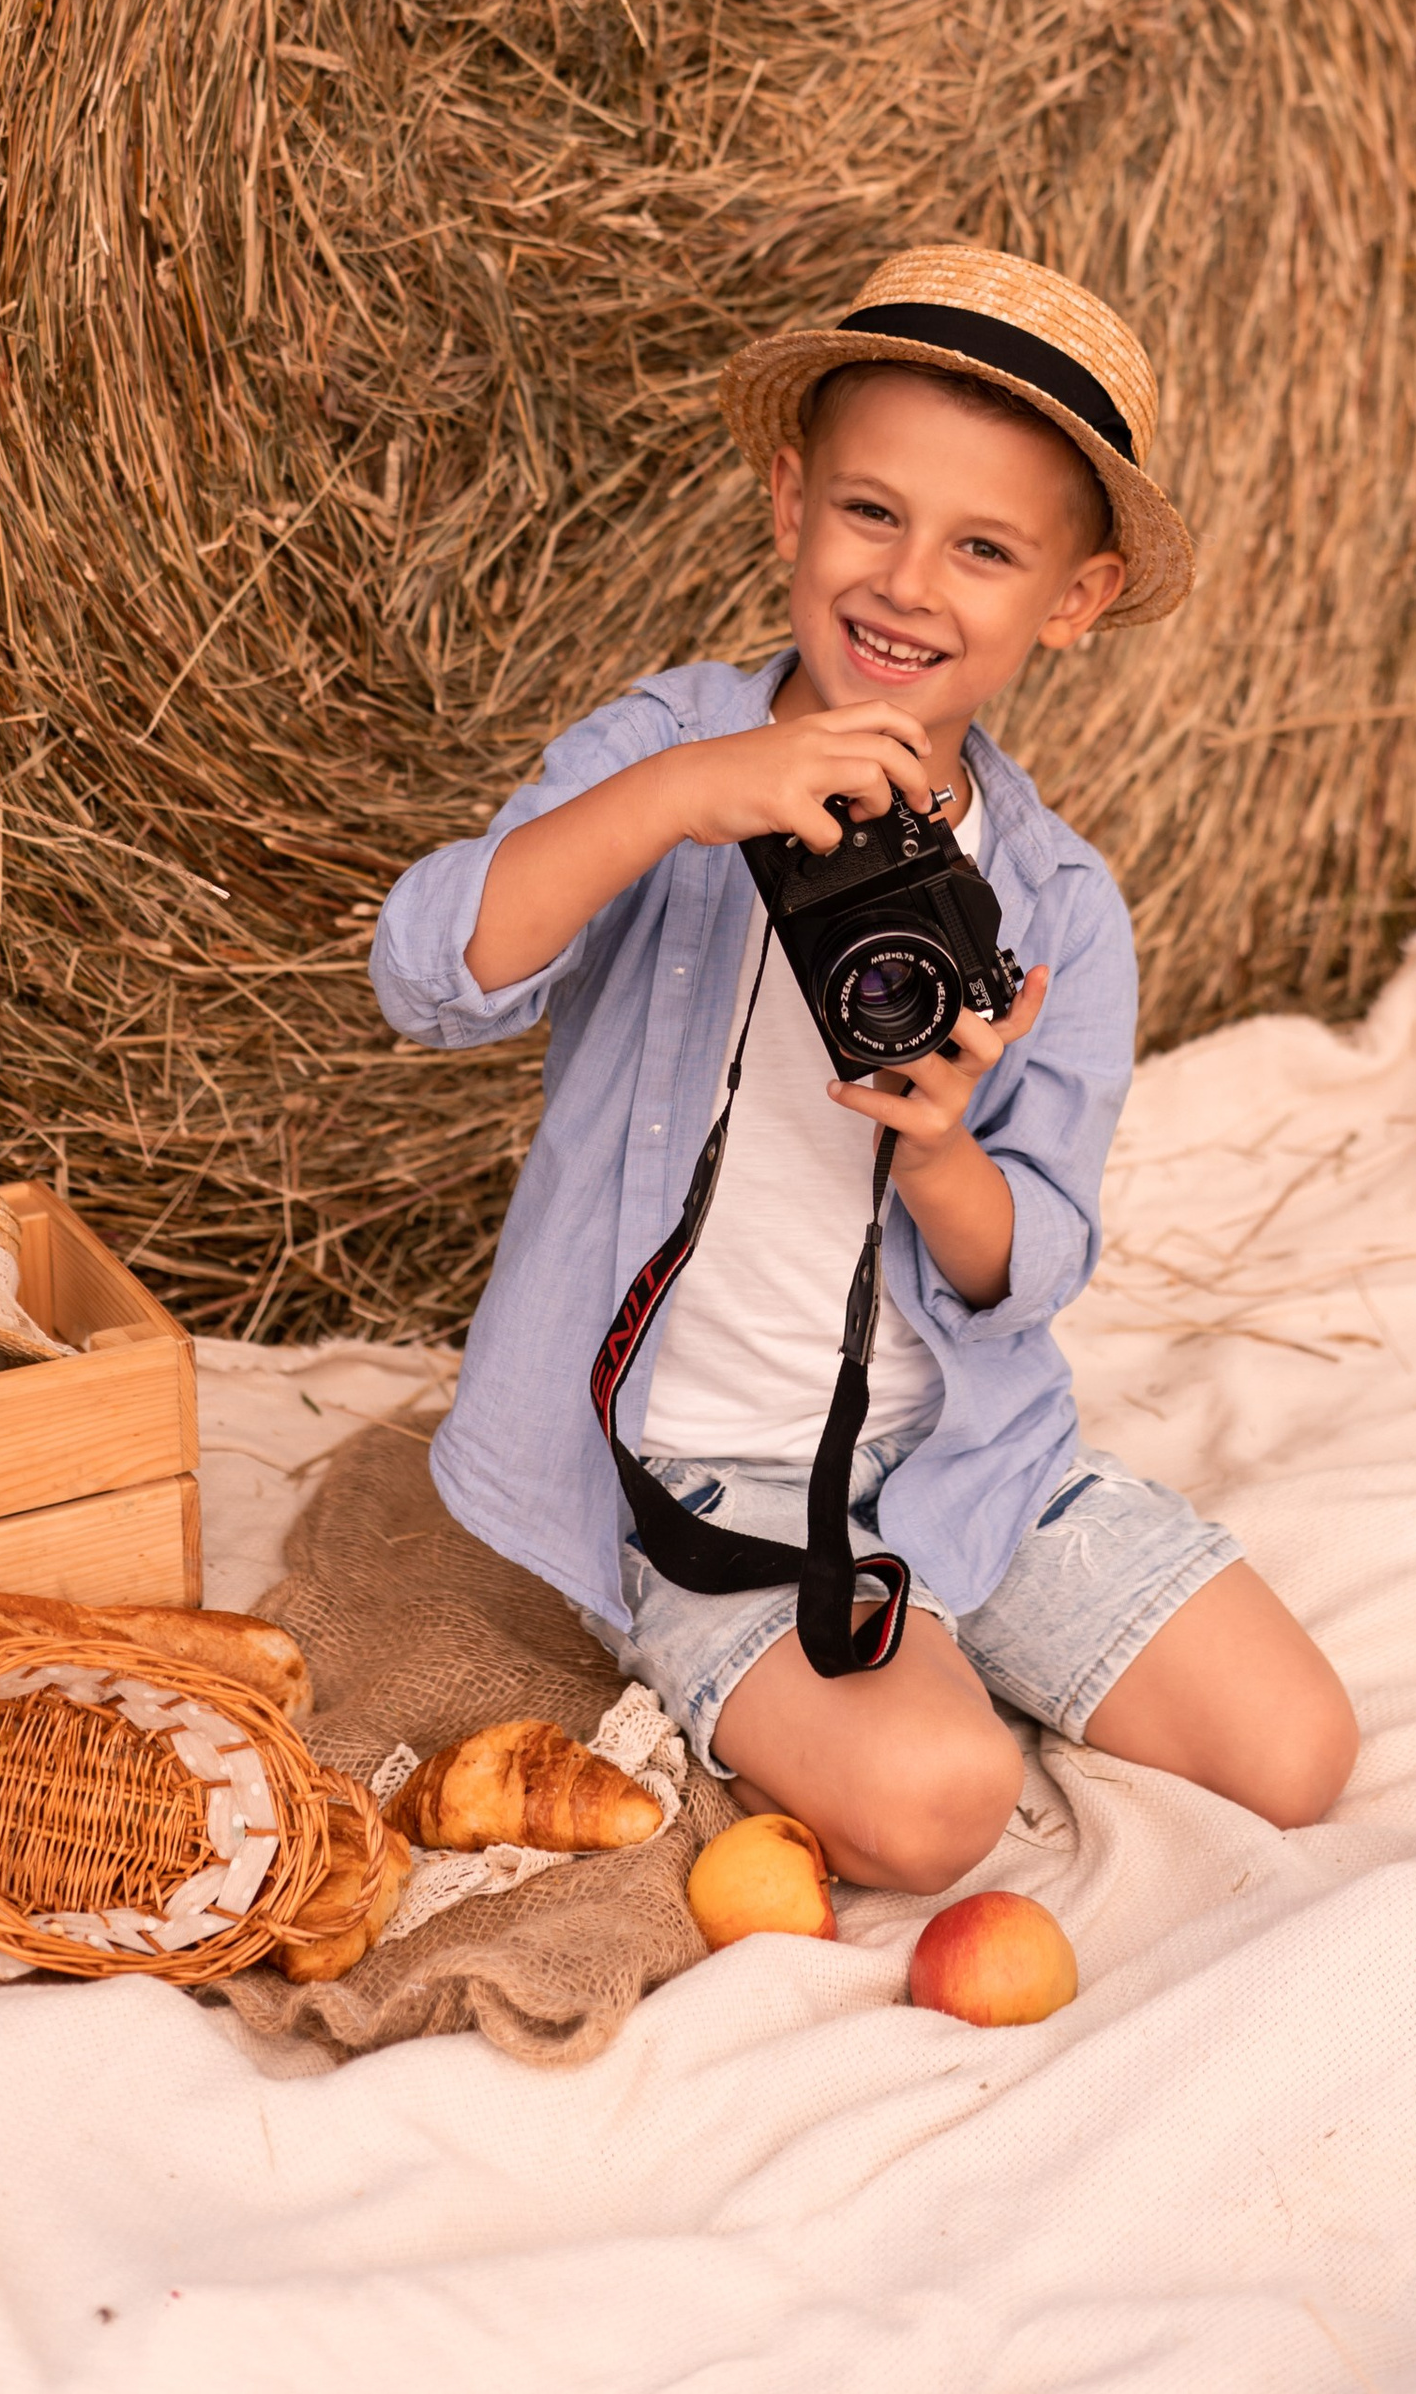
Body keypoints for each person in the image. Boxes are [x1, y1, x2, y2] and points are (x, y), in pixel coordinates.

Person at [373, 245, 1357, 1894]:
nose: (908, 585)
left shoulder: (1052, 906)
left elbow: (1028, 1264)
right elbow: (428, 976)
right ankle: (811, 1658)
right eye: (871, 514)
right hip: (714, 1467)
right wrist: (695, 792)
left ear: (1074, 601)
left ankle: (934, 1629)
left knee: (1296, 1757)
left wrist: (943, 1154)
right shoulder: (670, 752)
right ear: (789, 506)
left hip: (972, 1451)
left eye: (985, 550)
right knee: (938, 1808)